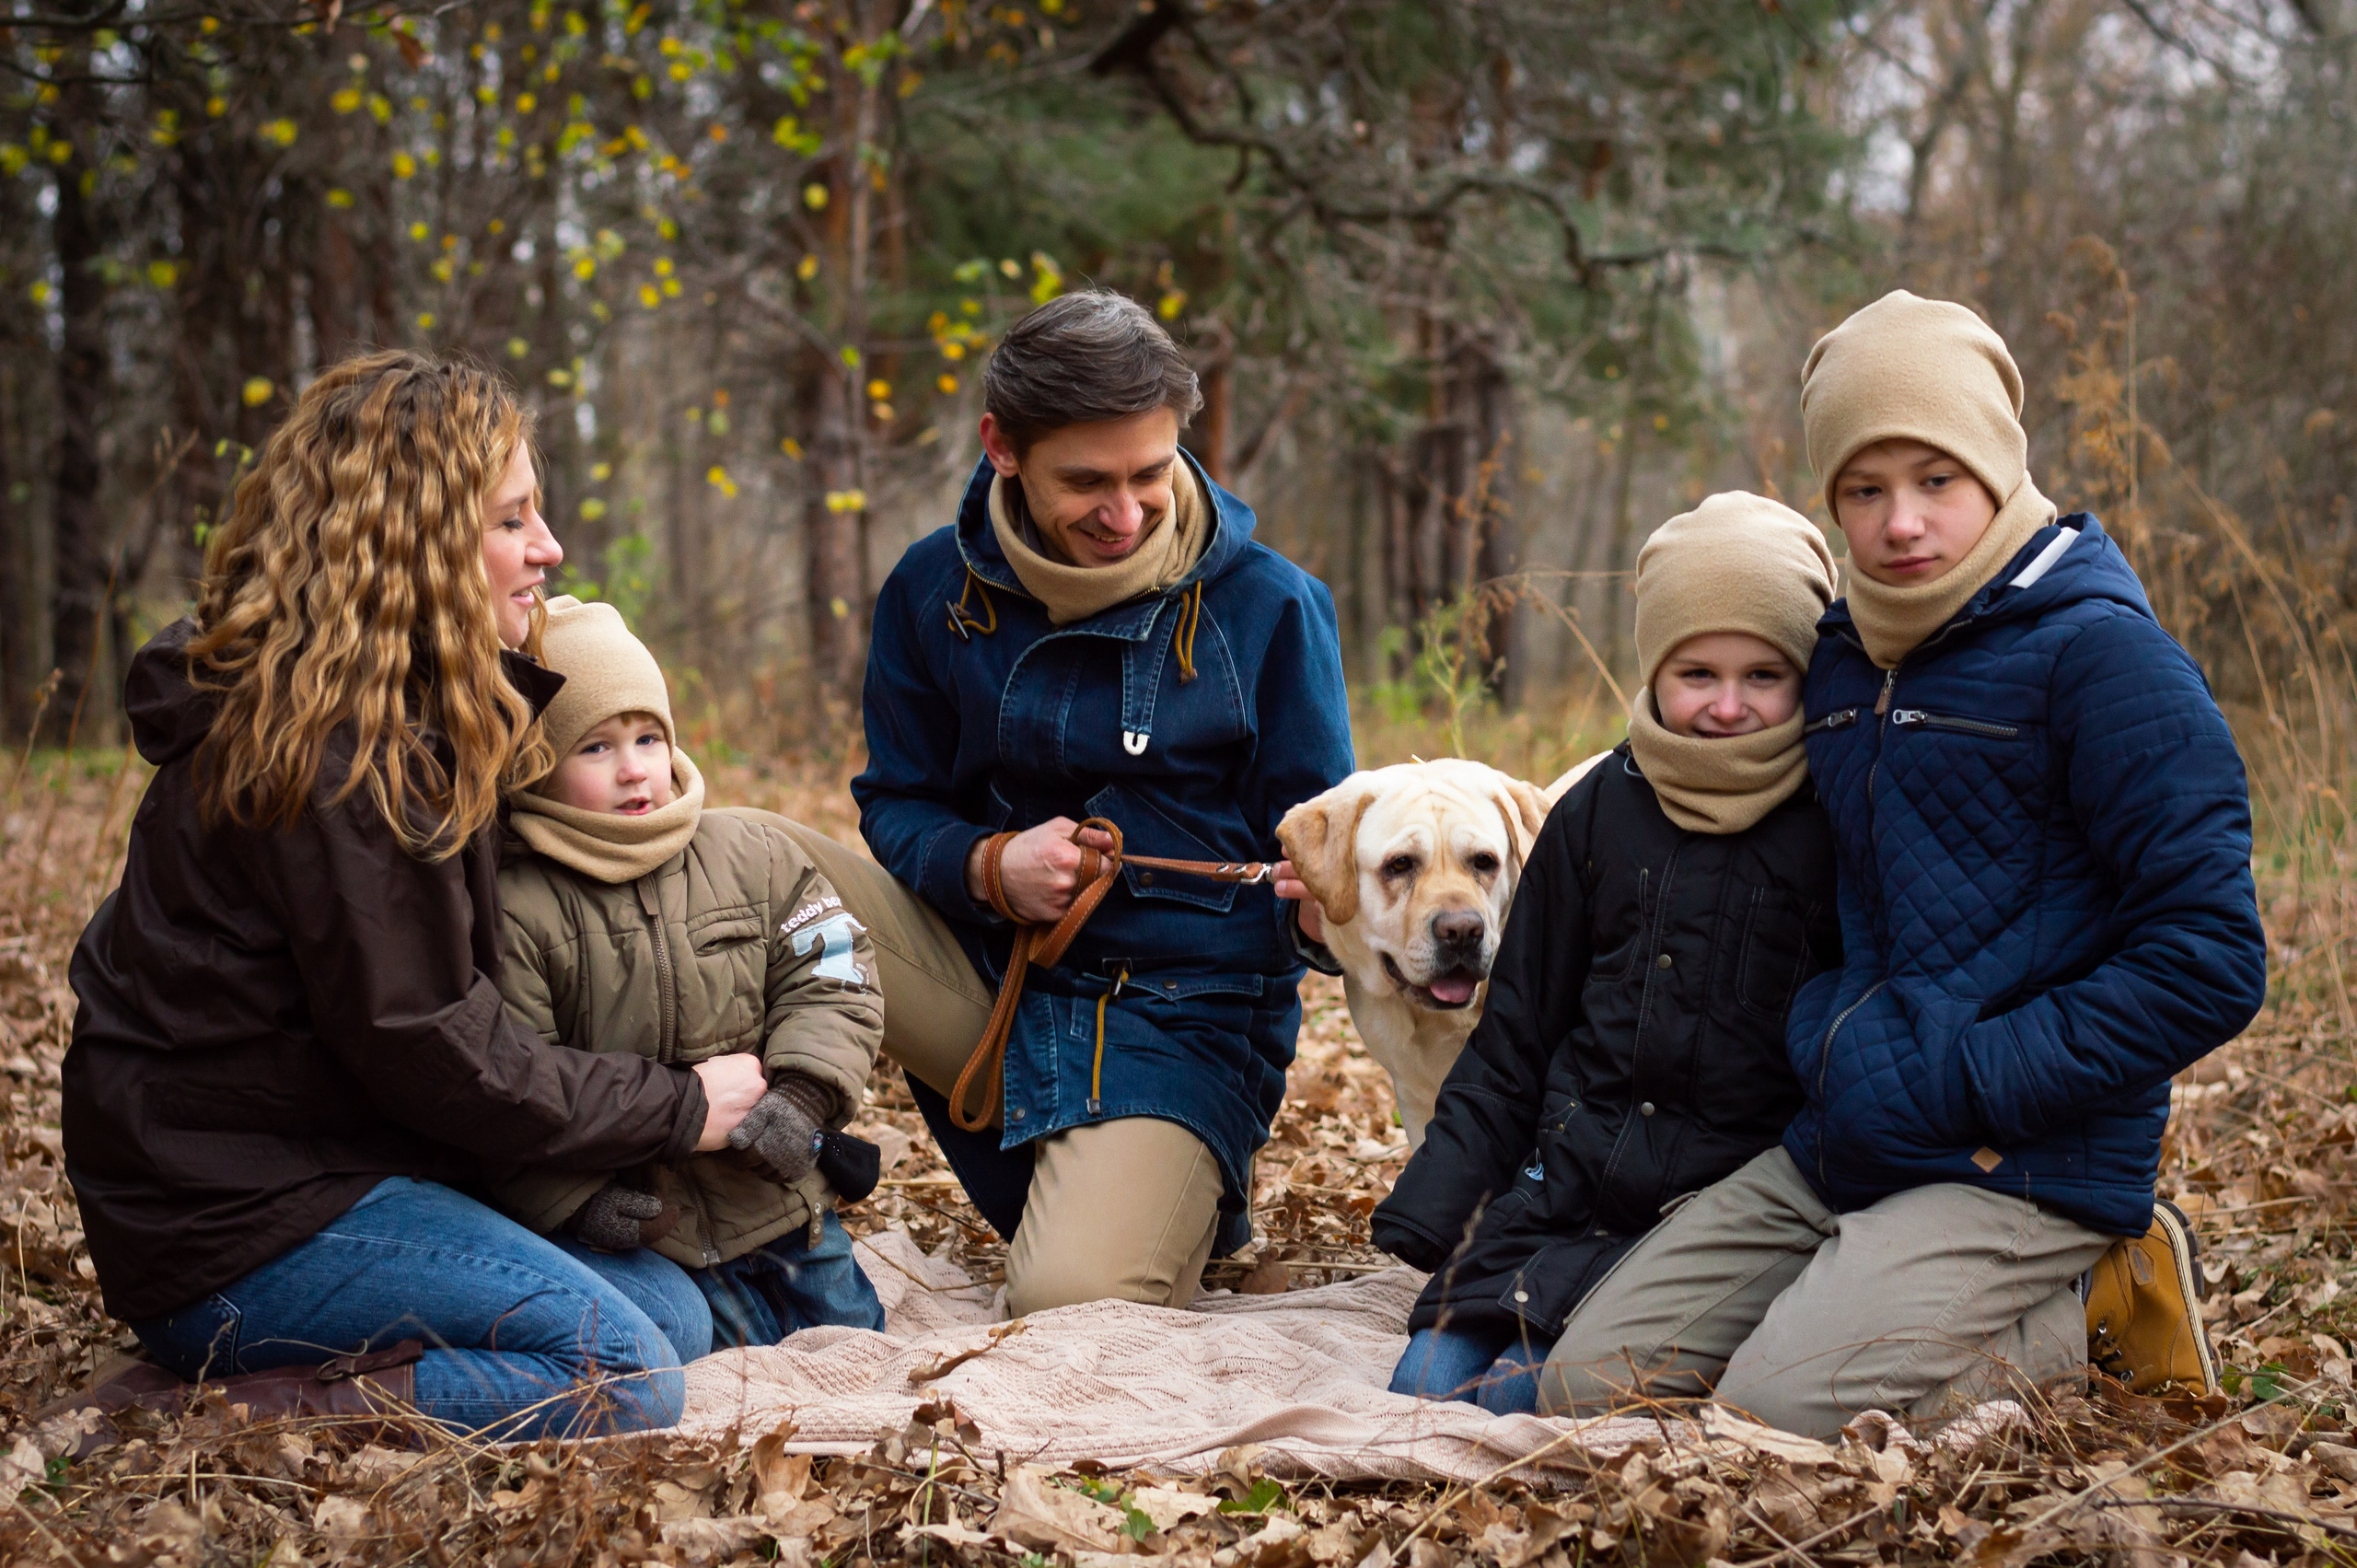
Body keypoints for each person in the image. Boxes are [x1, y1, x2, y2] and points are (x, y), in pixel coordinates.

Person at [1541, 292, 2268, 1436]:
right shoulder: (1841, 661)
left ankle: (2089, 1294)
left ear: (1996, 464)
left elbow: (2212, 956)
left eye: (1935, 478)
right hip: (1848, 1130)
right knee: (1585, 1387)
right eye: (1862, 489)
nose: (1900, 523)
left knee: (1767, 1416)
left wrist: (1970, 1079)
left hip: (2018, 1151)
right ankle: (1856, 1296)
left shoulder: (2105, 661)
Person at [58, 351, 771, 1442]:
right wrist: (677, 1102)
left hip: (332, 1168)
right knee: (623, 1373)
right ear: (416, 542)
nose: (550, 548)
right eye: (513, 520)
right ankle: (211, 1418)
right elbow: (437, 1046)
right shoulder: (339, 754)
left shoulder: (402, 709)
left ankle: (361, 1358)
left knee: (670, 1306)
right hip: (232, 1223)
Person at [776, 290, 1354, 1314]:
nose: (1125, 514)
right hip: (986, 988)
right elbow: (897, 803)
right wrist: (984, 865)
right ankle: (728, 1179)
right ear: (1001, 445)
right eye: (1085, 481)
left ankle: (1179, 1181)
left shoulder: (1272, 607)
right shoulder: (927, 591)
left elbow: (1324, 851)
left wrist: (1324, 909)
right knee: (745, 857)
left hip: (1182, 1024)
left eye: (1150, 474)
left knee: (1068, 1304)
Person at [1369, 494, 1842, 1414]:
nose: (1728, 704)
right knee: (1424, 1385)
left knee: (1530, 1393)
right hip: (1567, 1188)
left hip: (1716, 1211)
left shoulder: (1832, 820)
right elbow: (1515, 1034)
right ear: (1653, 666)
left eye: (1765, 673)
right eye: (1696, 671)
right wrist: (1430, 1202)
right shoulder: (1595, 813)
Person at [489, 595, 888, 1349]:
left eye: (647, 736)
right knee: (730, 1375)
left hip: (783, 1200)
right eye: (596, 748)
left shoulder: (751, 854)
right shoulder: (521, 907)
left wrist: (805, 1090)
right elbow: (512, 1085)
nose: (635, 769)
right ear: (537, 765)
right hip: (657, 1232)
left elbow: (835, 972)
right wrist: (576, 1204)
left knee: (859, 1347)